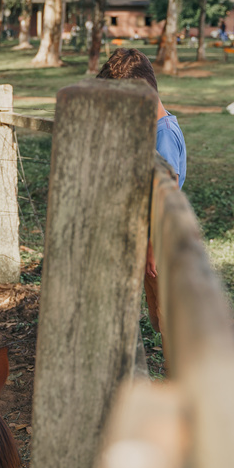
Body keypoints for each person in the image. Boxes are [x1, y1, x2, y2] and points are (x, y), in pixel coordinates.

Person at [96, 48, 186, 333]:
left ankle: (179, 371)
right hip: (143, 235)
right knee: (154, 307)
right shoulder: (146, 127)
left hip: (158, 240)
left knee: (168, 313)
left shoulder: (164, 134)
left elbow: (165, 194)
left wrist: (150, 247)